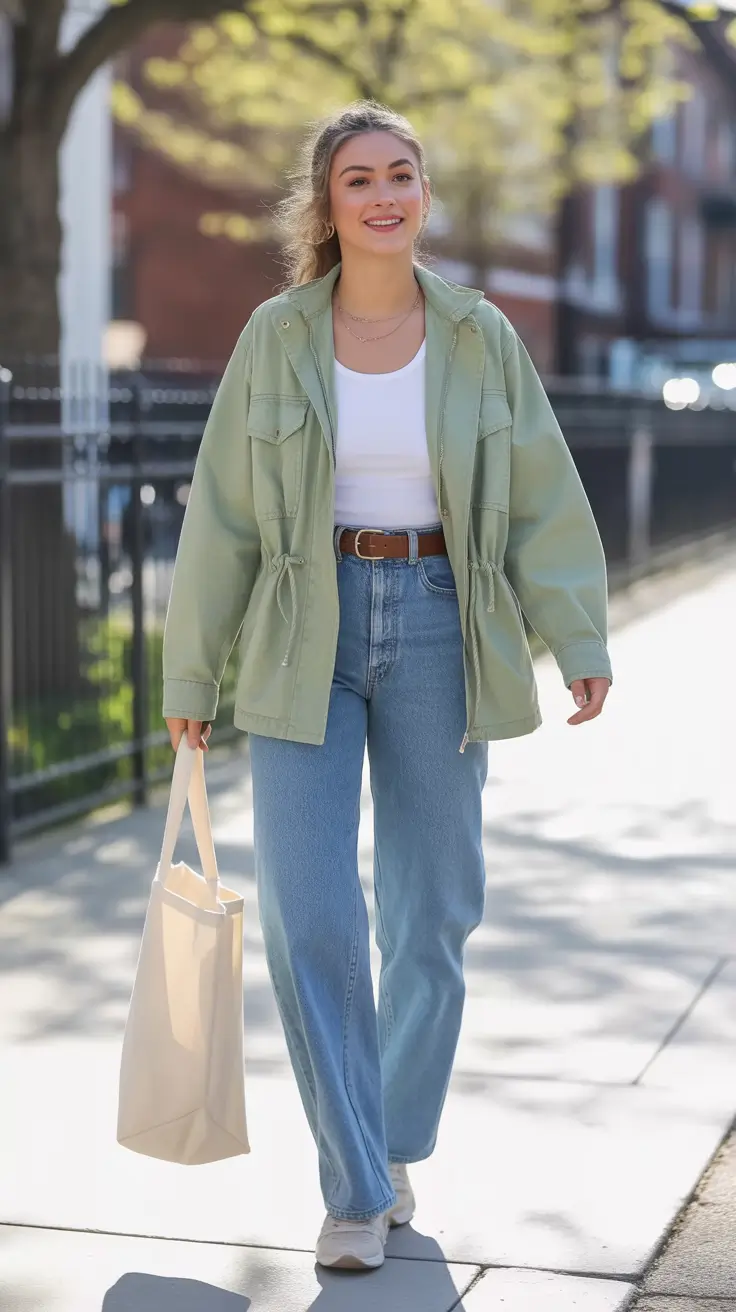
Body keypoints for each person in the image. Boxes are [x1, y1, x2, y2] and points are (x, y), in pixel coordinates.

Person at [163, 101, 612, 1272]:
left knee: (434, 915)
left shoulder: (477, 336)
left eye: (399, 174)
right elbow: (221, 517)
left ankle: (394, 1135)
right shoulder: (274, 335)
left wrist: (578, 637)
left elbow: (538, 494)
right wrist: (191, 669)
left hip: (435, 623)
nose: (380, 194)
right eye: (356, 177)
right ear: (326, 204)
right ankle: (355, 1185)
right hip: (299, 629)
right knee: (311, 913)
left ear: (422, 196)